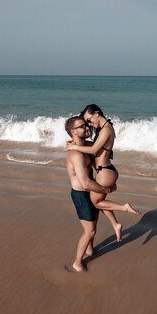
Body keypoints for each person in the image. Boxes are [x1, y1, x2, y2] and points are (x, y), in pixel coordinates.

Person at [66, 104, 139, 242]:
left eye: (89, 119)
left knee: (96, 203)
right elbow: (95, 147)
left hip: (105, 172)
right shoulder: (103, 128)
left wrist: (75, 146)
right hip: (106, 170)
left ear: (97, 113)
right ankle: (115, 224)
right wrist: (76, 142)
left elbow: (94, 149)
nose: (89, 123)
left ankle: (124, 208)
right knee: (100, 201)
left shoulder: (106, 129)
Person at [65, 115, 115, 272]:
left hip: (90, 192)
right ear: (73, 131)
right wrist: (106, 190)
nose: (87, 128)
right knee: (90, 230)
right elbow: (85, 183)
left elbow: (100, 148)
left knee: (94, 222)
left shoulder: (84, 146)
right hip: (81, 194)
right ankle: (77, 262)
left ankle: (89, 251)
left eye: (86, 125)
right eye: (82, 126)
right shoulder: (76, 154)